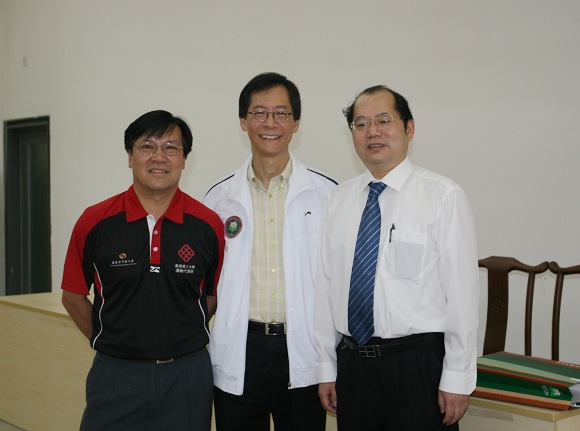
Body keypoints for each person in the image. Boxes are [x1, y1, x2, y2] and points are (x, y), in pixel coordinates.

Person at [315, 85, 479, 430]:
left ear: (409, 128)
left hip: (417, 367)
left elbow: (462, 296)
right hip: (353, 367)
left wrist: (458, 376)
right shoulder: (339, 199)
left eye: (384, 120)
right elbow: (325, 288)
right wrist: (326, 366)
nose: (372, 131)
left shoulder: (442, 196)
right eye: (361, 124)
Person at [61, 110, 225, 431]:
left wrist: (178, 334)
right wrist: (109, 340)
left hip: (187, 377)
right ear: (130, 156)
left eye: (171, 147)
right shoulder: (94, 221)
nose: (159, 157)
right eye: (147, 146)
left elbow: (212, 294)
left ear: (184, 159)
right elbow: (73, 295)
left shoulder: (208, 224)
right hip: (115, 375)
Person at [204, 72, 336, 431]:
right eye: (259, 113)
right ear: (243, 121)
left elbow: (339, 282)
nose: (270, 123)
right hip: (240, 348)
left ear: (296, 122)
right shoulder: (218, 199)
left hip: (304, 349)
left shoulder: (328, 195)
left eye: (281, 113)